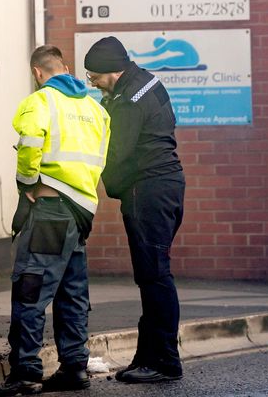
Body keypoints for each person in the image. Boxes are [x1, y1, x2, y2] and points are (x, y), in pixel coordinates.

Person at [0, 45, 110, 396]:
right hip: (83, 210)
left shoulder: (41, 102)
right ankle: (74, 367)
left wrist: (27, 184)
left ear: (38, 73)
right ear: (66, 68)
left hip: (51, 208)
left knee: (31, 288)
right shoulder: (94, 107)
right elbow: (100, 157)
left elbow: (29, 144)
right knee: (71, 292)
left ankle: (26, 370)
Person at [84, 36, 186, 383]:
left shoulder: (126, 102)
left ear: (111, 71)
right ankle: (148, 356)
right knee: (151, 275)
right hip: (168, 185)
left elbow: (116, 152)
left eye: (93, 76)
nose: (92, 83)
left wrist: (104, 182)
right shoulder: (148, 82)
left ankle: (165, 362)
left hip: (148, 191)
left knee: (155, 275)